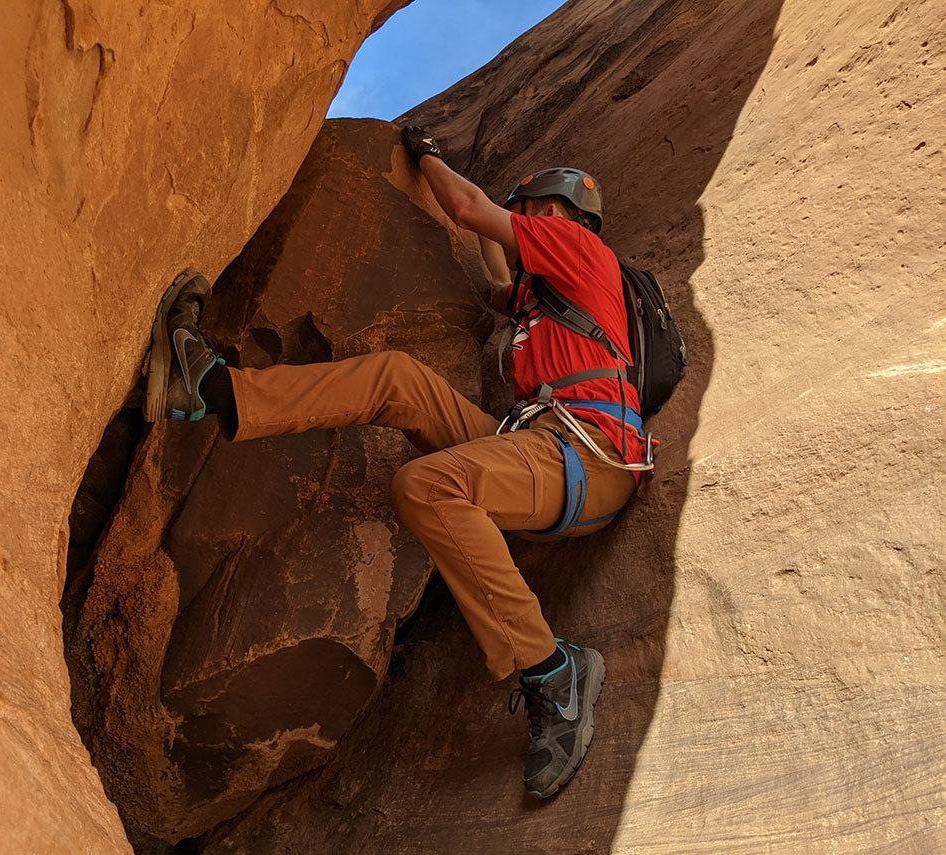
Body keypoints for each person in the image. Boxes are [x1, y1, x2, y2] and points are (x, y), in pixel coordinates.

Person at [141, 126, 652, 799]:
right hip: (535, 449)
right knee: (398, 380)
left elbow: (470, 211)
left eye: (534, 212)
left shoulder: (581, 248)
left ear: (557, 217)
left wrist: (431, 156)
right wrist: (493, 235)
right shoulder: (540, 296)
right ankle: (212, 390)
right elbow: (499, 281)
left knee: (427, 487)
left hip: (589, 459)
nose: (527, 223)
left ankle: (554, 671)